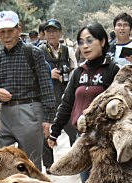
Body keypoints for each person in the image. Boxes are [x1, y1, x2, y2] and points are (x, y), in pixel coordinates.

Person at [47, 22, 120, 183]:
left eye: (89, 40)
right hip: (83, 140)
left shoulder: (112, 70)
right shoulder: (78, 73)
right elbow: (66, 104)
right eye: (81, 42)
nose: (84, 46)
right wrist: (55, 132)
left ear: (102, 42)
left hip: (106, 141)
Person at [0, 10, 56, 171]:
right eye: (2, 32)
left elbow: (46, 87)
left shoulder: (33, 53)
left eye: (10, 31)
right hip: (6, 113)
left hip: (30, 111)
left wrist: (48, 119)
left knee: (31, 163)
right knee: (4, 162)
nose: (6, 35)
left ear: (19, 30)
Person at [40, 18, 78, 173]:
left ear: (60, 33)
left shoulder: (68, 50)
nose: (51, 34)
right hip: (47, 98)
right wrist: (49, 74)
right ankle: (49, 166)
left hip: (65, 97)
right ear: (44, 34)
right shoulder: (38, 51)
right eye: (48, 31)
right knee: (46, 133)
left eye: (54, 31)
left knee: (73, 131)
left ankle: (74, 163)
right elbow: (34, 74)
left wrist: (67, 74)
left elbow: (76, 69)